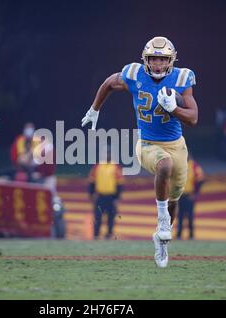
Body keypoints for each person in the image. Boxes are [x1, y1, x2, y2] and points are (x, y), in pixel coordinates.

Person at [81, 36, 198, 267]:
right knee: (164, 165)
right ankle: (162, 220)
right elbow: (109, 83)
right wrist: (95, 109)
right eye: (153, 58)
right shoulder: (134, 74)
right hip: (146, 144)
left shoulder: (182, 78)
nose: (157, 64)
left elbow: (193, 118)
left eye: (162, 59)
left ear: (170, 61)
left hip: (177, 145)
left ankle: (162, 241)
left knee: (175, 200)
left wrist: (174, 108)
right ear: (146, 59)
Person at [88, 149, 123, 240]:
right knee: (98, 216)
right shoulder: (97, 166)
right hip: (100, 196)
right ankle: (96, 235)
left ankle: (108, 234)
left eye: (109, 154)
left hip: (111, 196)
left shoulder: (115, 167)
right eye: (106, 154)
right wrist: (91, 193)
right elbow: (92, 181)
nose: (107, 156)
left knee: (111, 217)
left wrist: (117, 197)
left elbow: (119, 183)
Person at [176, 154, 204, 240]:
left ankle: (191, 235)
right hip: (180, 195)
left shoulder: (194, 166)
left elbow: (200, 180)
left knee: (190, 215)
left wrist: (195, 193)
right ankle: (179, 235)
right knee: (179, 215)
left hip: (189, 195)